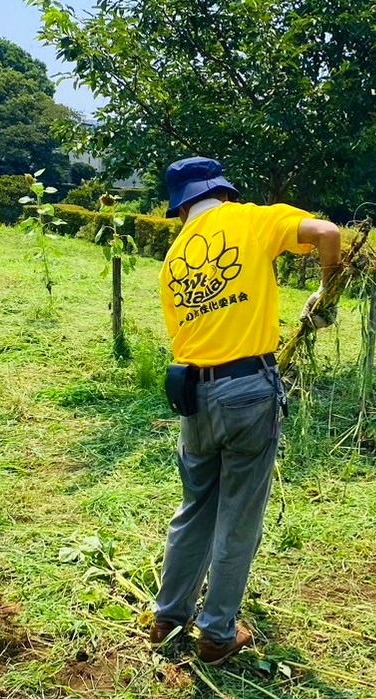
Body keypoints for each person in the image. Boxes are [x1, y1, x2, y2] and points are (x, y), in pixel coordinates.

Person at [151, 156, 341, 665]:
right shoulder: (252, 218)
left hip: (193, 397)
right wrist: (326, 290)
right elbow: (328, 232)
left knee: (196, 508)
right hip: (247, 392)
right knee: (238, 517)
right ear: (224, 193)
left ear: (181, 206)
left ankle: (168, 615)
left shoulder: (172, 262)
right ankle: (216, 633)